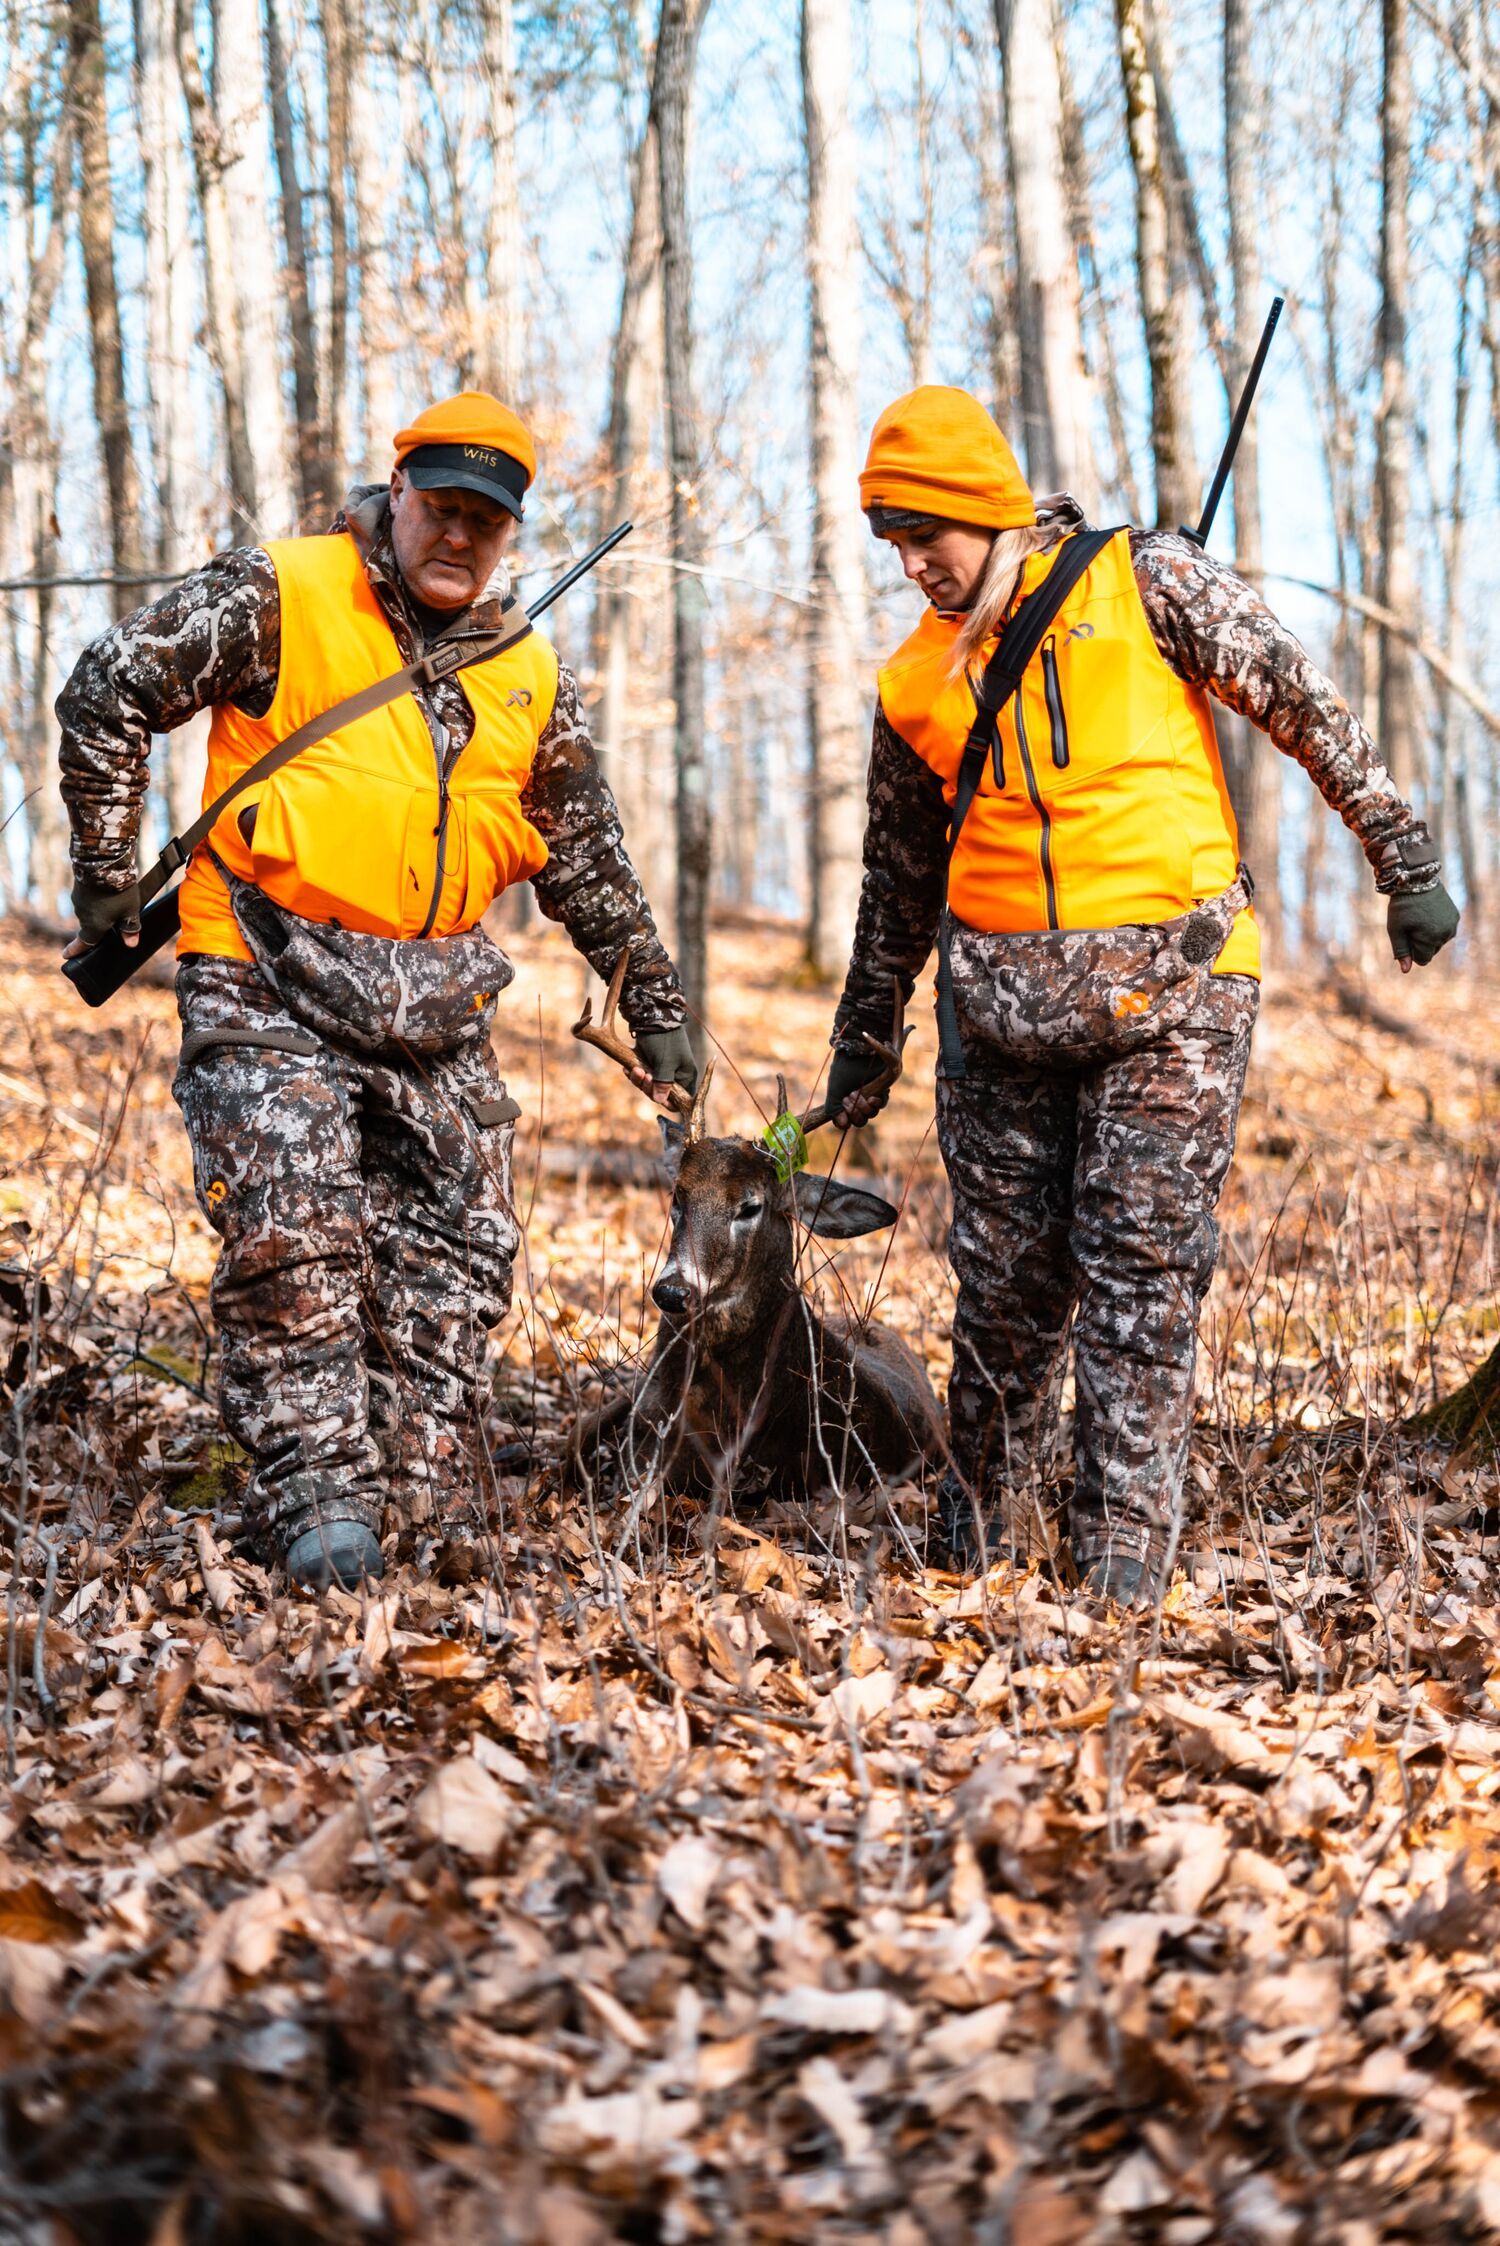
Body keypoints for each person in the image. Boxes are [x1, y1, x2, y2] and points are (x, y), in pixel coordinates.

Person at [822, 386, 1459, 1605]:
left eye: (926, 535)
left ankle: (1120, 1542)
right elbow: (897, 877)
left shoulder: (1150, 580)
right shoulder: (913, 685)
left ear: (986, 509)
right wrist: (866, 1034)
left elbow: (1301, 700)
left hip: (1175, 995)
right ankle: (976, 1524)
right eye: (889, 541)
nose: (911, 564)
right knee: (1005, 1284)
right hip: (1001, 1018)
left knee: (1141, 1256)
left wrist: (1404, 859)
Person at [58, 393, 694, 1591]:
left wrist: (652, 1003)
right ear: (396, 493)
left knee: (461, 1258)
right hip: (265, 976)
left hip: (438, 1003)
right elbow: (109, 686)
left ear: (511, 534)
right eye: (442, 509)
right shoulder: (281, 594)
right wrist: (104, 873)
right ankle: (315, 1498)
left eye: (486, 525)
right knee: (296, 1241)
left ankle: (415, 1485)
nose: (460, 538)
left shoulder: (528, 667)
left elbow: (583, 842)